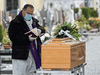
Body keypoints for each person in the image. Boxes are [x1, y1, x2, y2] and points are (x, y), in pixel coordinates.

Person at [8, 4, 45, 75]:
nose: (30, 15)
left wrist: (39, 30)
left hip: (33, 54)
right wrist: (27, 38)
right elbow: (13, 37)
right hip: (21, 55)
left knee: (33, 72)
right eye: (28, 13)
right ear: (23, 11)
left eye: (31, 14)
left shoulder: (34, 21)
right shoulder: (15, 23)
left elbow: (42, 29)